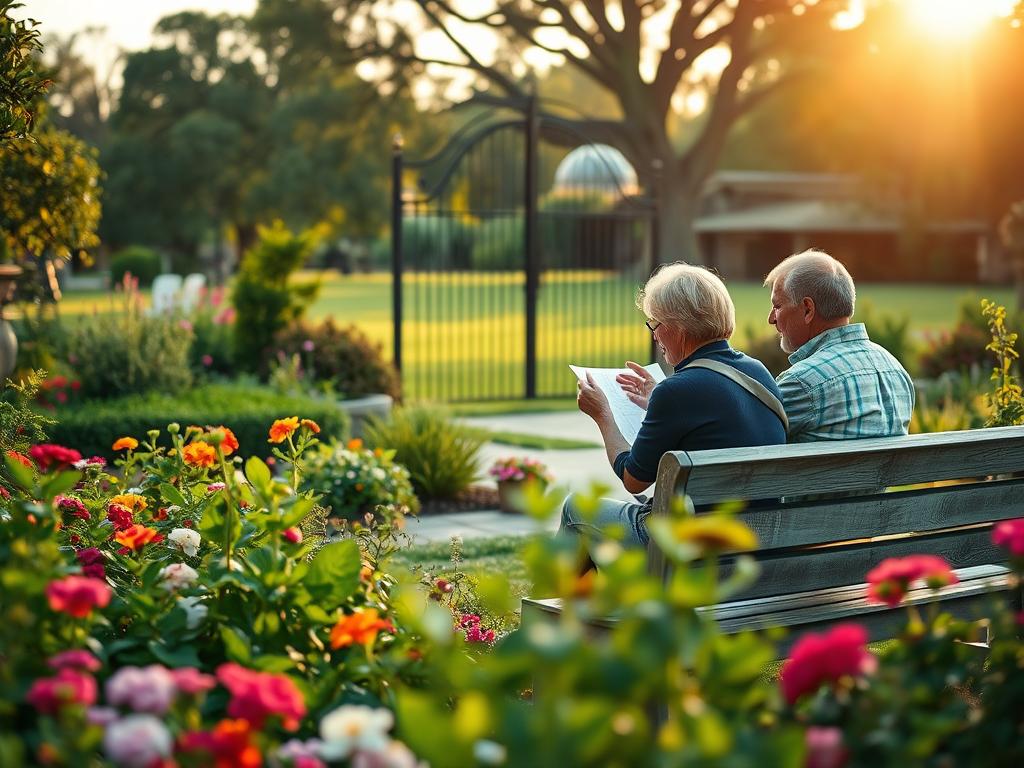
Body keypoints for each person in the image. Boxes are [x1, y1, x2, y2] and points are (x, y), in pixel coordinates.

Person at [559, 263, 787, 563]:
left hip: (689, 553)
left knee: (575, 508)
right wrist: (658, 399)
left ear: (678, 328)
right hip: (754, 547)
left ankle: (554, 609)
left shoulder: (677, 391)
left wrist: (603, 415)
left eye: (656, 324)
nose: (654, 335)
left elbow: (633, 479)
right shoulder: (758, 372)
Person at [764, 249, 915, 442]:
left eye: (777, 306)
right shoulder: (896, 370)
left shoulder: (801, 383)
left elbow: (747, 445)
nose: (771, 319)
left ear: (808, 309)